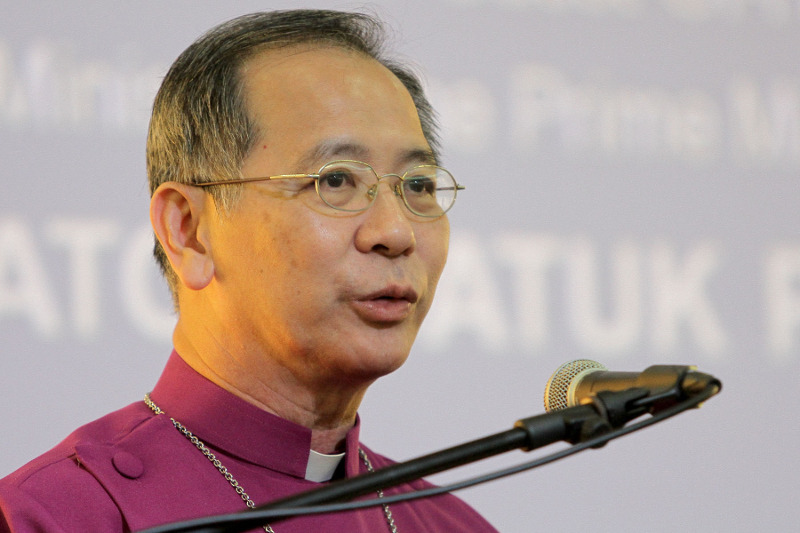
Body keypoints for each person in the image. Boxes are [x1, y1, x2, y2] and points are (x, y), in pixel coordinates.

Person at [0, 9, 498, 533]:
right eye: (334, 181)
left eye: (417, 185)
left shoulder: (450, 523)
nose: (396, 233)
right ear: (189, 230)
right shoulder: (60, 513)